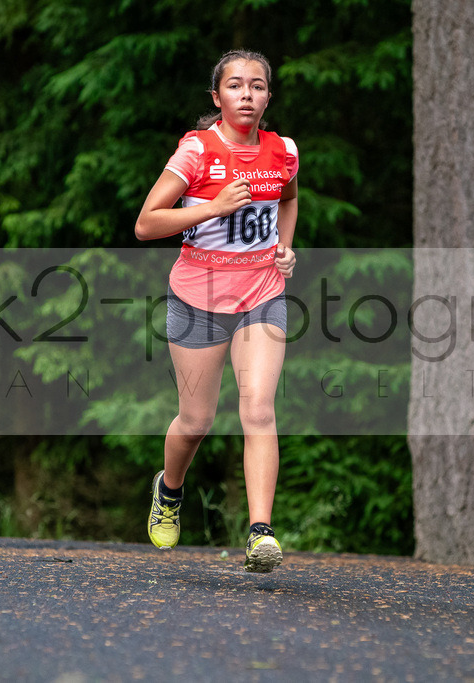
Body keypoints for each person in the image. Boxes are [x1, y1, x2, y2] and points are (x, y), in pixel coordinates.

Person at [134, 50, 298, 573]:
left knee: (258, 409)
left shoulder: (284, 150)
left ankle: (261, 533)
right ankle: (171, 488)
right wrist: (213, 206)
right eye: (235, 86)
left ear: (268, 96)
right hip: (197, 296)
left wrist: (285, 247)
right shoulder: (195, 152)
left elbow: (288, 198)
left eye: (257, 86)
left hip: (263, 293)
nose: (246, 94)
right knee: (197, 419)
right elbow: (146, 224)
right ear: (217, 97)